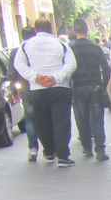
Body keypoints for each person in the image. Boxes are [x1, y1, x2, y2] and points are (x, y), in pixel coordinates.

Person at [13, 18, 76, 168]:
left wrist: (35, 77)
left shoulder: (26, 45)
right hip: (60, 88)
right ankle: (63, 156)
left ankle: (48, 152)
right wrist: (56, 78)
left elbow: (18, 64)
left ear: (36, 30)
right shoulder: (61, 44)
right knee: (61, 122)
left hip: (38, 90)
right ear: (51, 29)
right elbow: (72, 64)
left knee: (42, 122)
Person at [69, 17, 110, 161]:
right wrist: (102, 85)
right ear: (87, 31)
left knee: (83, 120)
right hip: (95, 88)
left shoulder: (71, 50)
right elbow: (106, 69)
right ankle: (100, 150)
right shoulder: (95, 48)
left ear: (75, 31)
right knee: (98, 120)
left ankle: (87, 148)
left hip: (78, 88)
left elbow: (67, 71)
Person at [9, 26, 40, 161]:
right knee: (46, 117)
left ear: (22, 36)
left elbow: (12, 73)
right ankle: (51, 149)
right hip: (41, 86)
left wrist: (14, 91)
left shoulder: (16, 52)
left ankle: (33, 148)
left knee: (30, 118)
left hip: (25, 88)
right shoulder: (40, 50)